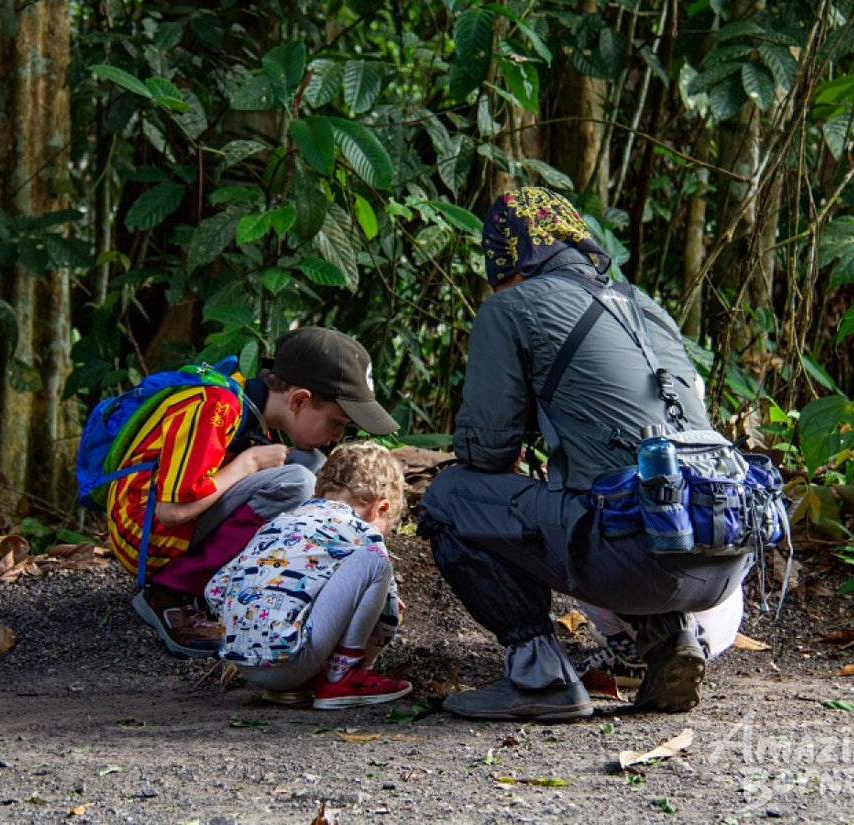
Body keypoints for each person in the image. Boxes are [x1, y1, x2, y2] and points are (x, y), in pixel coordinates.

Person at [418, 187, 754, 721]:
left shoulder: (510, 307)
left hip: (636, 560)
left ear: (505, 258)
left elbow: (486, 452)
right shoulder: (644, 305)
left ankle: (539, 679)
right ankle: (672, 643)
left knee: (449, 498)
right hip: (724, 557)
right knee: (632, 488)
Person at [109, 327, 399, 659]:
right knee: (296, 483)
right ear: (299, 400)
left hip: (175, 524)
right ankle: (174, 590)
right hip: (145, 536)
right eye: (337, 423)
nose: (337, 436)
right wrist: (248, 464)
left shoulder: (254, 412)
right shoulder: (217, 406)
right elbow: (170, 511)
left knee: (313, 468)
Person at [204, 441, 412, 709]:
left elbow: (215, 589)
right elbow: (389, 618)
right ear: (380, 509)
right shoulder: (363, 532)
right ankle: (343, 676)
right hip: (292, 661)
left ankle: (297, 683)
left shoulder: (278, 524)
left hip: (244, 663)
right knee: (375, 561)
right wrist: (381, 614)